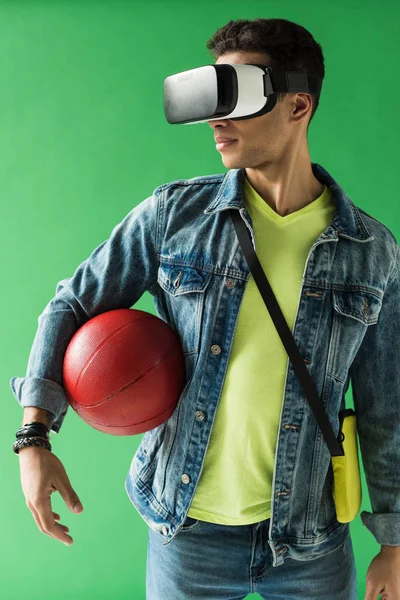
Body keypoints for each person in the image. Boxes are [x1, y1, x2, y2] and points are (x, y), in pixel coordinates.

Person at [11, 17, 400, 600]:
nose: (216, 119)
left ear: (298, 105)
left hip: (309, 540)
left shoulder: (372, 253)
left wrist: (394, 544)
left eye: (236, 95)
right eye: (212, 96)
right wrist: (33, 439)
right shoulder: (175, 217)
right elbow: (71, 303)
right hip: (186, 531)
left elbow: (387, 408)